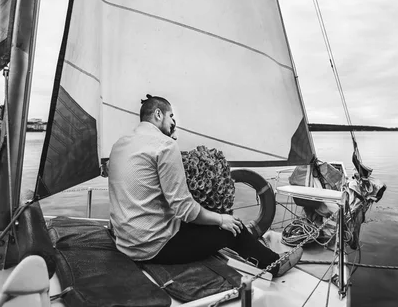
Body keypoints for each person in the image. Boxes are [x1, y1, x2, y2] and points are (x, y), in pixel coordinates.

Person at [108, 94, 302, 277]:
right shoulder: (164, 145)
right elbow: (184, 209)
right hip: (151, 248)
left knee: (202, 222)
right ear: (158, 114)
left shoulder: (119, 145)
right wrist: (221, 219)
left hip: (125, 243)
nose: (173, 122)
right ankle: (275, 265)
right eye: (171, 116)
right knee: (233, 228)